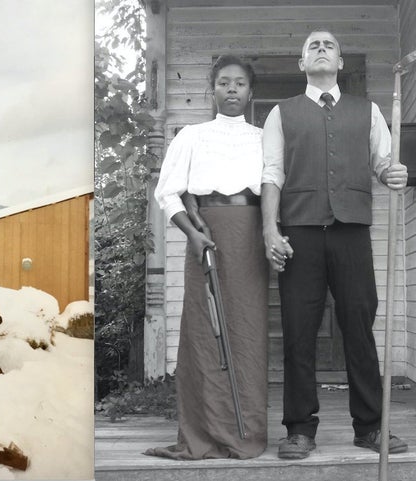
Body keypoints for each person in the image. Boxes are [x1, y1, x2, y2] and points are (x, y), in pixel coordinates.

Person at [261, 30, 409, 459]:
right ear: (302, 64)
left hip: (351, 232)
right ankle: (300, 429)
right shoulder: (281, 114)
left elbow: (384, 163)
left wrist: (392, 173)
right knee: (299, 332)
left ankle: (370, 427)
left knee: (359, 329)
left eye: (329, 45)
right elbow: (272, 174)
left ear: (341, 62)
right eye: (313, 46)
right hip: (300, 233)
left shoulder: (369, 111)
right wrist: (270, 230)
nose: (322, 49)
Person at [146, 55, 269, 460]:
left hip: (250, 235)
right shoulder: (192, 137)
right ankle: (202, 431)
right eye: (223, 83)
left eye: (239, 84)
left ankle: (244, 432)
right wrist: (193, 233)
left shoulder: (264, 137)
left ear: (250, 92)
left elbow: (274, 189)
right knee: (206, 330)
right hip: (206, 235)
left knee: (247, 331)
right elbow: (167, 192)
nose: (231, 90)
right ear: (212, 90)